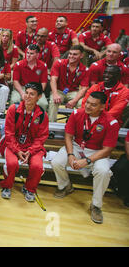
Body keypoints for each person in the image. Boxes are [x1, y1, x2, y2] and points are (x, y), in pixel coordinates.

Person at [51, 91, 120, 224]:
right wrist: (70, 154)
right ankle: (66, 186)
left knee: (104, 172)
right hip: (77, 147)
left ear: (102, 107)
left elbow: (107, 149)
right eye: (87, 102)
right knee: (57, 162)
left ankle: (96, 205)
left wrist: (87, 161)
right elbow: (68, 136)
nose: (88, 106)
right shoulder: (77, 113)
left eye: (93, 105)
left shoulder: (111, 123)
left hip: (98, 152)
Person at [0, 82, 49, 202]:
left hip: (32, 146)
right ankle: (7, 186)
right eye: (26, 93)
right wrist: (17, 150)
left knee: (37, 166)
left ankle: (29, 188)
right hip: (12, 144)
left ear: (39, 97)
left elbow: (41, 137)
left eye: (32, 94)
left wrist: (30, 152)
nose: (27, 96)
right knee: (12, 164)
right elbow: (9, 133)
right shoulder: (13, 109)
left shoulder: (42, 115)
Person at [48, 45, 90, 122]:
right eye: (70, 54)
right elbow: (53, 79)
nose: (71, 56)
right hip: (59, 90)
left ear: (81, 55)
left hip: (73, 92)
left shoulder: (85, 69)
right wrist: (55, 94)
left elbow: (84, 88)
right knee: (53, 101)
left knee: (82, 103)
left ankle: (77, 126)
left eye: (75, 54)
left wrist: (74, 100)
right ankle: (51, 126)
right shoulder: (59, 63)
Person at [11, 44, 49, 111]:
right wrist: (22, 93)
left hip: (36, 89)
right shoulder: (18, 64)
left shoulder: (43, 66)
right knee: (15, 100)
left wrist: (37, 93)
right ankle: (14, 120)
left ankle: (39, 120)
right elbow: (15, 81)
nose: (28, 55)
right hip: (21, 88)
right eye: (27, 53)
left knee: (43, 104)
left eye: (31, 53)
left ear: (37, 55)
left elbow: (43, 83)